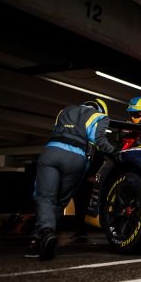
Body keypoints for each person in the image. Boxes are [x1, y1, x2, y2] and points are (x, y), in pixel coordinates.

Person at [26, 99, 116, 260]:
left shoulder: (65, 110)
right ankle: (41, 237)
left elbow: (56, 130)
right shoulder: (99, 116)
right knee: (60, 201)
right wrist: (117, 154)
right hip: (76, 159)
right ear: (102, 110)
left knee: (45, 197)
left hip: (52, 152)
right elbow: (99, 141)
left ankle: (41, 236)